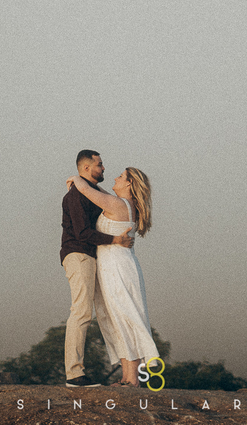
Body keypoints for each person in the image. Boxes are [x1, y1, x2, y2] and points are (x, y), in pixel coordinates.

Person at [66, 164, 157, 388]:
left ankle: (133, 379)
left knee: (125, 315)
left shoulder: (118, 205)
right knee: (116, 317)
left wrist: (77, 178)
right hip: (113, 265)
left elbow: (88, 191)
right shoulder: (121, 203)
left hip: (118, 267)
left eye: (121, 176)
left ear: (129, 183)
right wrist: (81, 182)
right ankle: (127, 377)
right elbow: (99, 192)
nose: (115, 178)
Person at [61, 150, 134, 387]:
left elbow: (105, 198)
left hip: (91, 256)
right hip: (78, 254)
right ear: (87, 168)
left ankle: (126, 373)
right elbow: (82, 232)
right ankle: (74, 374)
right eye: (100, 165)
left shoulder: (88, 192)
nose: (104, 168)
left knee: (103, 311)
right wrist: (116, 240)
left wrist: (79, 180)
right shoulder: (76, 196)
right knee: (81, 311)